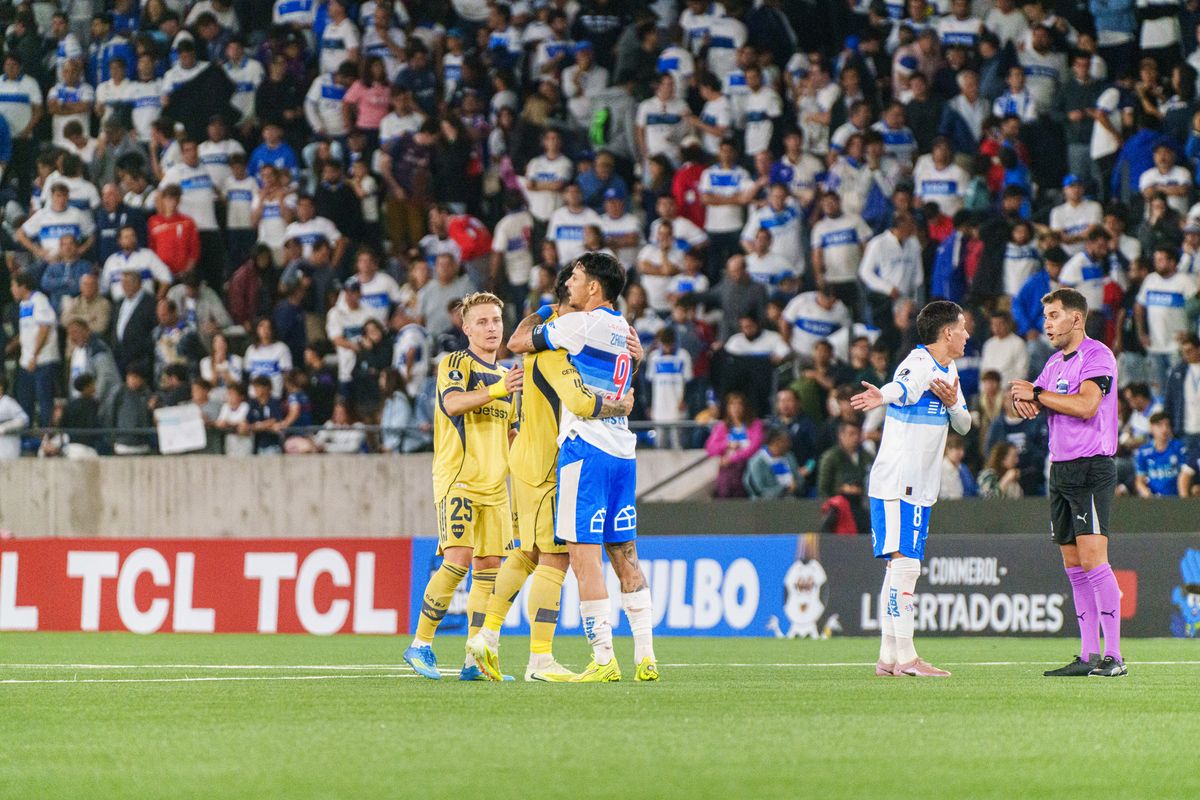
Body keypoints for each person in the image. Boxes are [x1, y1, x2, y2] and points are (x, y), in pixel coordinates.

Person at [466, 269, 636, 683]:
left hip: (524, 457)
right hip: (545, 464)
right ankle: (540, 659)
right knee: (556, 559)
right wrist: (621, 404)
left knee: (524, 554)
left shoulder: (537, 346)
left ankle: (485, 638)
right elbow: (579, 400)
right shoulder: (555, 352)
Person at [507, 252, 657, 683]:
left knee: (582, 556)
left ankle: (603, 658)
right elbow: (624, 377)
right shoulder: (627, 332)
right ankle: (645, 657)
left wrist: (544, 309)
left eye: (574, 278)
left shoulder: (578, 324)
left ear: (594, 287)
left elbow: (518, 342)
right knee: (626, 555)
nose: (567, 285)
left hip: (585, 450)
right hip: (622, 453)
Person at [403, 292, 523, 682]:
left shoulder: (510, 378)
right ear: (467, 328)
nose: (491, 328)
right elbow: (453, 404)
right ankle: (420, 644)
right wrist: (499, 391)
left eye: (496, 321)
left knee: (490, 568)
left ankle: (474, 657)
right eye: (483, 322)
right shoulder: (455, 363)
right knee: (457, 559)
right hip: (459, 479)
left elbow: (511, 433)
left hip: (495, 486)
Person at [850, 300, 972, 678]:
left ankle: (888, 657)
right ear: (947, 332)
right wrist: (881, 396)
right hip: (899, 482)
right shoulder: (918, 364)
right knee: (906, 565)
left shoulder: (949, 369)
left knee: (899, 566)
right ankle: (907, 658)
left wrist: (952, 404)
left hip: (918, 485)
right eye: (963, 328)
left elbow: (965, 425)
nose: (967, 334)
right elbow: (902, 388)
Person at [1010, 288, 1126, 678]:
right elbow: (1034, 400)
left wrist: (1038, 394)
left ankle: (1114, 656)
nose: (1047, 323)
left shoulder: (1098, 355)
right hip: (1059, 470)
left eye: (1054, 315)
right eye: (1046, 316)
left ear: (1076, 319)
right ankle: (1088, 654)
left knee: (1094, 560)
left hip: (1091, 467)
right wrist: (1023, 399)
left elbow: (1086, 405)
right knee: (1074, 566)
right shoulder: (1054, 363)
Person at [11, 270, 61, 427]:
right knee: (25, 400)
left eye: (13, 286)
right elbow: (28, 331)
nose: (11, 290)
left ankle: (47, 436)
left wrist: (35, 355)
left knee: (44, 399)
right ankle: (27, 435)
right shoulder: (24, 304)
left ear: (23, 286)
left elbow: (44, 328)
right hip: (27, 361)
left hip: (42, 360)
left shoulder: (39, 300)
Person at [1134, 412, 1195, 498]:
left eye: (1167, 425)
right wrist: (1146, 494)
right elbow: (1139, 480)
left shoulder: (1179, 447)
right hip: (1153, 501)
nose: (1164, 429)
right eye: (1159, 425)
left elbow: (1185, 475)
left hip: (1176, 500)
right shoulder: (1144, 451)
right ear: (1151, 428)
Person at [745, 428, 803, 499]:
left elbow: (799, 479)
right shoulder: (757, 462)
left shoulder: (789, 456)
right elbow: (759, 490)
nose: (789, 443)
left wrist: (796, 486)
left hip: (792, 500)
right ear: (776, 442)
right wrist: (785, 489)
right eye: (786, 441)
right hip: (767, 504)